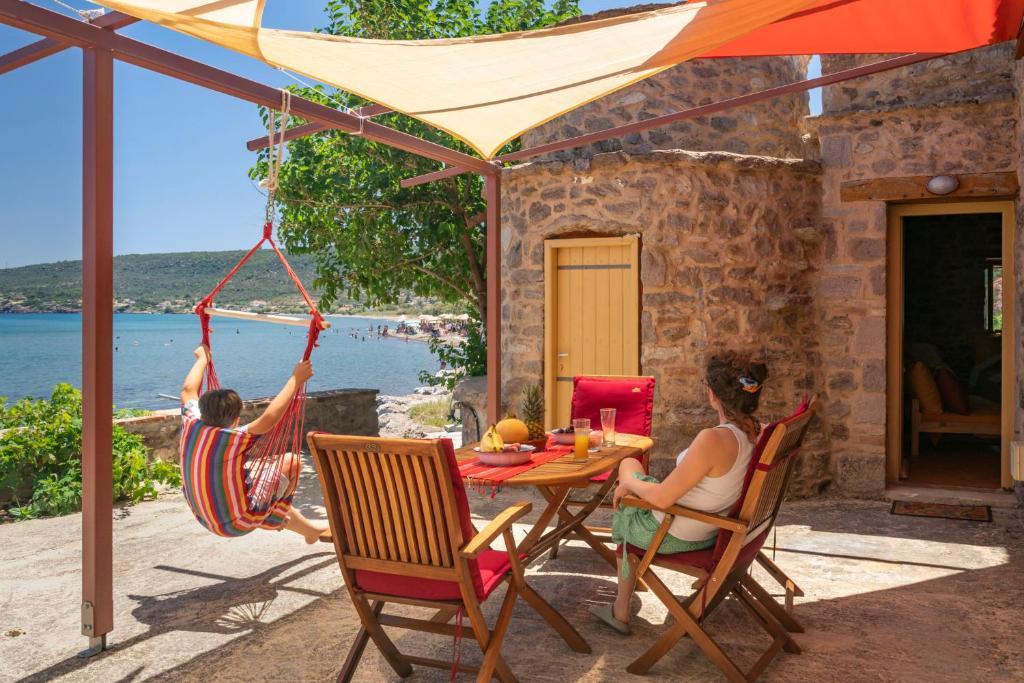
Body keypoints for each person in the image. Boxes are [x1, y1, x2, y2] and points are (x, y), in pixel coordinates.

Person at [591, 351, 768, 634]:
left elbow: (662, 498)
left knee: (627, 469)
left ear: (712, 394)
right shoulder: (759, 432)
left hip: (675, 532)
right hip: (710, 528)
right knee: (631, 468)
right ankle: (621, 604)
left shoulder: (714, 439)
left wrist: (630, 484)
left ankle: (620, 609)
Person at [179, 345, 329, 543]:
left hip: (204, 517)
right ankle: (273, 519)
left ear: (202, 410)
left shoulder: (191, 421)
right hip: (238, 523)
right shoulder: (233, 438)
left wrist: (202, 359)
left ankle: (309, 531)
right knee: (290, 462)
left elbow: (188, 390)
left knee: (256, 474)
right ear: (236, 420)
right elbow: (269, 419)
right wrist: (296, 379)